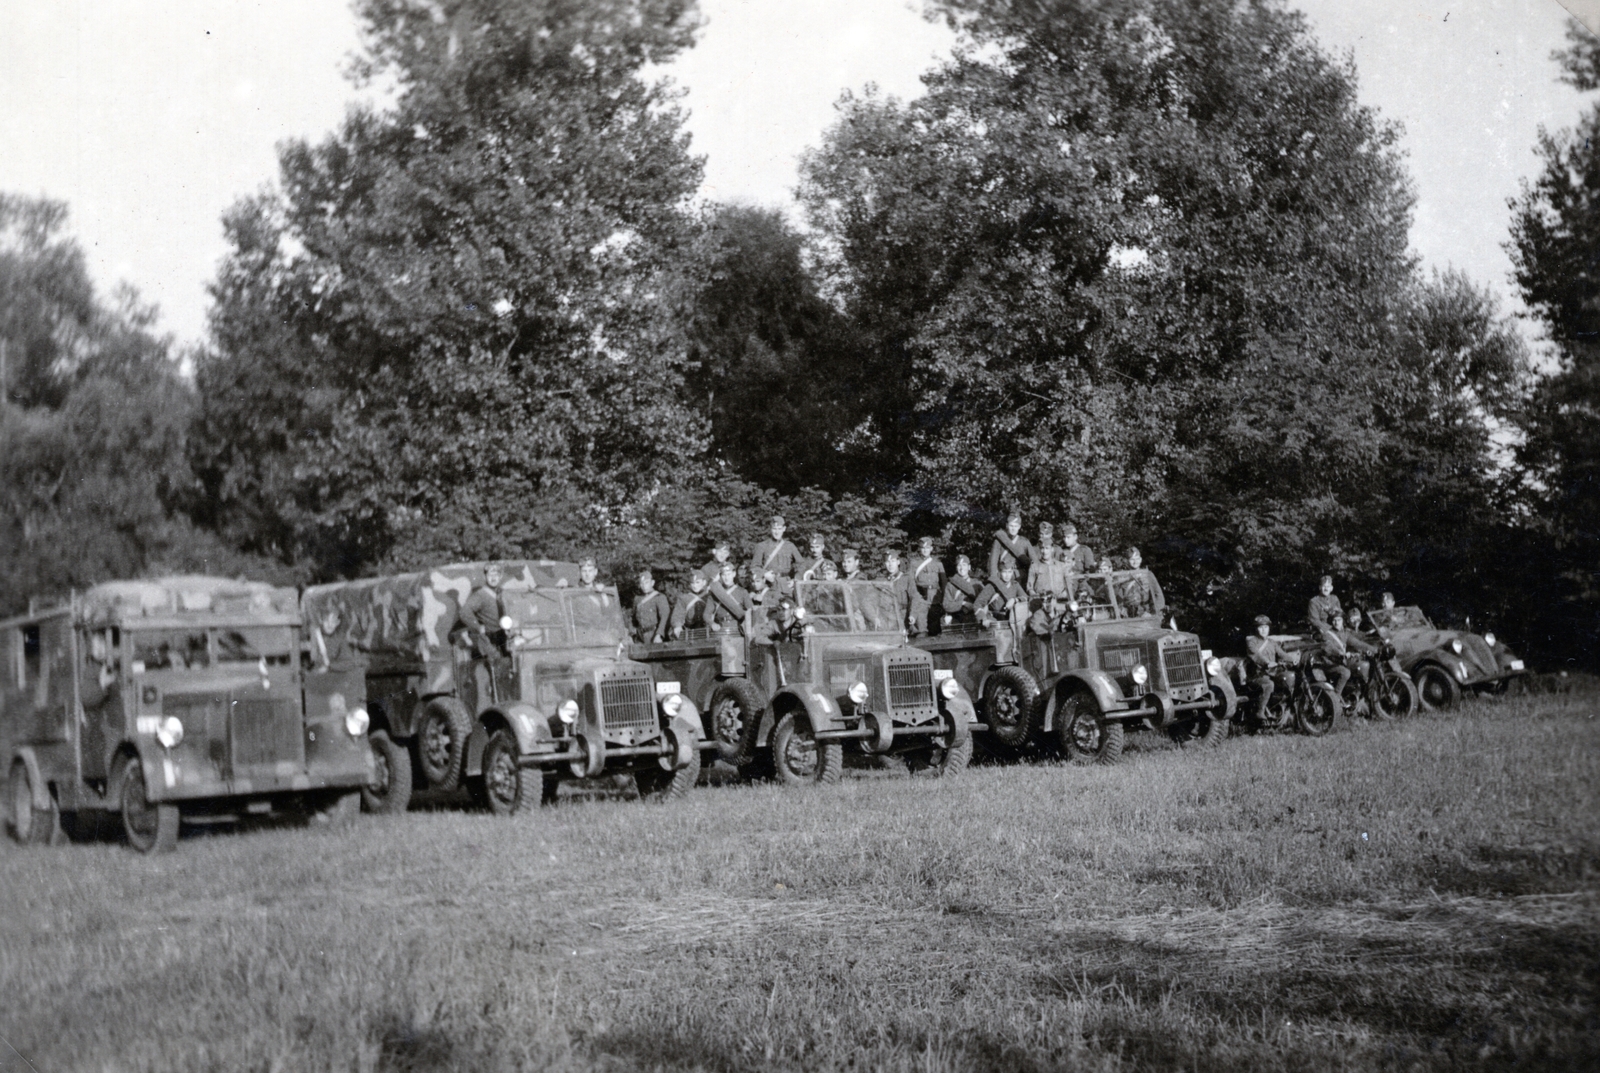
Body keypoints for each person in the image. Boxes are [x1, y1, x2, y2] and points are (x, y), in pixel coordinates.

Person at [1245, 614, 1293, 723]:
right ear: (1256, 629)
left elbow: (1282, 653)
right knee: (1269, 684)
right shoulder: (1251, 641)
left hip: (1272, 674)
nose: (1264, 630)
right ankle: (1260, 711)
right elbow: (1256, 655)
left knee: (1287, 679)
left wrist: (1293, 659)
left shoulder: (1272, 642)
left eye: (1266, 627)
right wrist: (1267, 663)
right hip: (1257, 675)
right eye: (1261, 627)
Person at [458, 564, 506, 657]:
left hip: (506, 636)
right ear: (485, 577)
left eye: (496, 575)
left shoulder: (503, 593)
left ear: (500, 577)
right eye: (490, 575)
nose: (493, 578)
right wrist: (478, 627)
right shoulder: (480, 595)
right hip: (490, 639)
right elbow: (464, 612)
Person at [908, 536, 946, 637]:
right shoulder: (914, 564)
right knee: (922, 631)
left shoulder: (938, 564)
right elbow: (911, 583)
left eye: (927, 548)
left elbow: (944, 584)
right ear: (919, 549)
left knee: (936, 630)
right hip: (921, 599)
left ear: (931, 549)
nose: (925, 550)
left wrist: (943, 600)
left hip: (935, 600)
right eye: (923, 548)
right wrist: (916, 597)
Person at [749, 514, 801, 586]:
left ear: (784, 529)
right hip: (769, 585)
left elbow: (801, 564)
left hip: (786, 584)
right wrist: (764, 573)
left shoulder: (790, 546)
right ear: (770, 529)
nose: (777, 532)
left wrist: (795, 580)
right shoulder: (761, 546)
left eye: (779, 529)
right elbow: (753, 567)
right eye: (774, 529)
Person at [975, 561, 1029, 626]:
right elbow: (978, 603)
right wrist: (983, 619)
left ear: (1012, 572)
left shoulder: (1015, 585)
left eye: (1009, 572)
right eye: (1004, 572)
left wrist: (1015, 600)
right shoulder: (992, 585)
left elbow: (1026, 598)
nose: (1007, 575)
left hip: (1012, 620)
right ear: (999, 572)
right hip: (994, 620)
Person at [988, 509, 1035, 583]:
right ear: (1007, 525)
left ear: (1019, 527)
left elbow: (1034, 563)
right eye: (1011, 525)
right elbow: (993, 564)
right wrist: (995, 580)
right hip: (1002, 578)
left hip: (1020, 578)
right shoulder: (998, 541)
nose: (1013, 529)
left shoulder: (1025, 542)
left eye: (1016, 526)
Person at [707, 562, 753, 633]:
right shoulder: (715, 593)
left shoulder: (743, 592)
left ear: (734, 574)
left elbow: (751, 612)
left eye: (729, 574)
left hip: (738, 630)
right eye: (723, 575)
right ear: (720, 576)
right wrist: (712, 623)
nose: (726, 577)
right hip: (720, 629)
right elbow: (706, 614)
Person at [669, 572, 713, 638]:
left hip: (709, 632)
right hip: (690, 633)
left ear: (704, 582)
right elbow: (677, 615)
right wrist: (677, 626)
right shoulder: (684, 598)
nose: (694, 586)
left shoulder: (710, 596)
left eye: (697, 582)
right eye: (692, 583)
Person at [632, 569, 670, 644]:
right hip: (639, 637)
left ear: (652, 583)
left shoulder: (659, 597)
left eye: (646, 583)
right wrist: (632, 634)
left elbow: (664, 617)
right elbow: (633, 618)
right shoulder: (637, 599)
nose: (644, 586)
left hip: (653, 635)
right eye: (642, 583)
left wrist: (659, 635)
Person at [1116, 548, 1156, 617]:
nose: (1135, 562)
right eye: (1132, 559)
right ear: (1127, 560)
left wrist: (1152, 612)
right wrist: (1120, 611)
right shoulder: (1121, 575)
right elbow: (1116, 595)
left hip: (1145, 613)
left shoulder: (1148, 574)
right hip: (1126, 614)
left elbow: (1158, 595)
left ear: (1140, 559)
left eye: (1137, 559)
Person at [942, 555, 981, 624]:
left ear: (969, 567)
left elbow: (984, 602)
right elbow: (946, 605)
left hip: (974, 618)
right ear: (956, 568)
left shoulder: (977, 583)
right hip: (956, 619)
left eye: (964, 565)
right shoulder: (950, 585)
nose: (961, 568)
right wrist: (963, 603)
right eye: (959, 565)